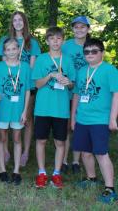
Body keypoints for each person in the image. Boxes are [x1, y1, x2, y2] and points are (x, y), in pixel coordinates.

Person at [71, 38, 118, 204]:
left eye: (94, 51)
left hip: (100, 120)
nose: (90, 54)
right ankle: (91, 178)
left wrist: (113, 119)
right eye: (87, 51)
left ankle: (110, 189)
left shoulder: (110, 70)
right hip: (82, 119)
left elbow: (117, 94)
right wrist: (73, 117)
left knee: (101, 153)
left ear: (102, 52)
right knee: (85, 152)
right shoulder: (82, 71)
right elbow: (77, 95)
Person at [32, 27, 75, 189]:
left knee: (60, 142)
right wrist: (50, 75)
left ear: (62, 40)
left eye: (58, 39)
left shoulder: (68, 60)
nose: (55, 42)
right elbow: (37, 84)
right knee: (41, 140)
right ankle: (42, 172)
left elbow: (73, 85)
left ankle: (56, 174)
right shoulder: (42, 59)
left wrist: (67, 82)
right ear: (47, 41)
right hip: (43, 108)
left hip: (61, 108)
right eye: (52, 39)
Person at [0, 11, 41, 167]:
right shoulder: (5, 40)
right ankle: (6, 151)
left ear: (25, 22)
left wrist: (22, 80)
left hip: (25, 84)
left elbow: (32, 65)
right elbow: (3, 66)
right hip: (8, 85)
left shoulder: (32, 42)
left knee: (26, 119)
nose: (17, 22)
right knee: (5, 116)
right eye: (14, 20)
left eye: (20, 20)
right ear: (12, 23)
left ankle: (25, 152)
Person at [0, 38, 31, 185]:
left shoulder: (26, 67)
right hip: (2, 107)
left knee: (17, 138)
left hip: (18, 109)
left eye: (14, 49)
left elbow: (28, 90)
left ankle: (16, 171)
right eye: (8, 50)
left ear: (18, 50)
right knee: (2, 137)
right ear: (4, 52)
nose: (11, 52)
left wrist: (25, 111)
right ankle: (2, 169)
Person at [61, 15, 91, 174]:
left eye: (83, 27)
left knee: (79, 125)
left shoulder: (92, 46)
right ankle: (64, 160)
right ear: (72, 29)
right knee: (66, 126)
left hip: (84, 91)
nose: (79, 30)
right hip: (66, 91)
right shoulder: (65, 46)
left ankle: (76, 161)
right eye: (76, 27)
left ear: (88, 29)